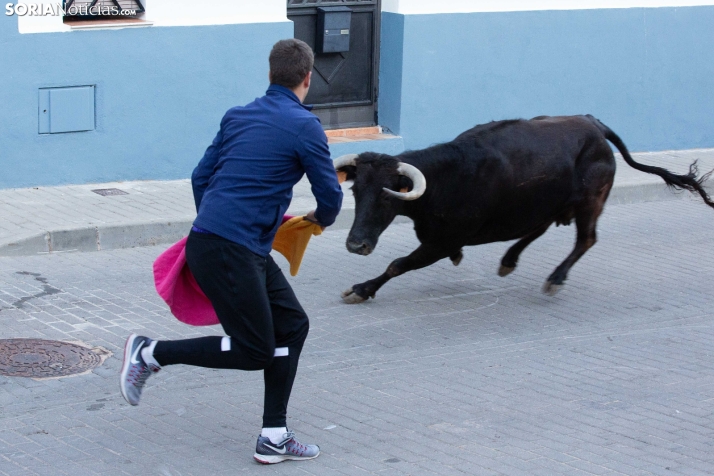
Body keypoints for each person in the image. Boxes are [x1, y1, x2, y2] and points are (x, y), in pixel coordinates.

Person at [119, 38, 343, 465]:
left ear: (270, 74)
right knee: (255, 349)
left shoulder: (238, 116)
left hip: (227, 244)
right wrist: (320, 221)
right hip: (230, 249)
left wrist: (221, 220)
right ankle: (150, 353)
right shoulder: (305, 126)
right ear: (308, 78)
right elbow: (329, 194)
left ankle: (273, 435)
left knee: (292, 326)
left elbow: (200, 176)